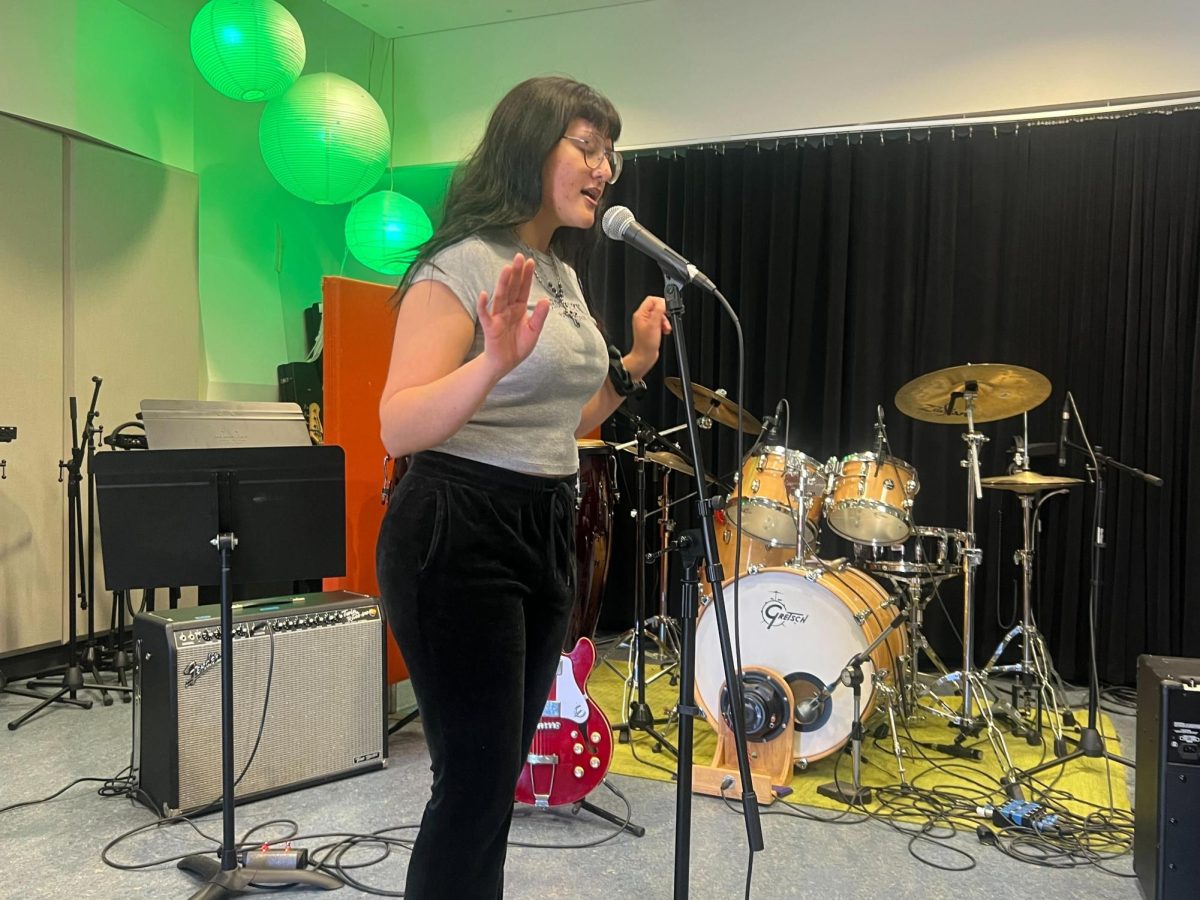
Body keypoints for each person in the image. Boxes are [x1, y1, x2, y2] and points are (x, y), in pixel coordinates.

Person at [375, 76, 670, 899]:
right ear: (526, 147)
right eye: (586, 145)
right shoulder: (458, 264)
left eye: (609, 152)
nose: (604, 167)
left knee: (498, 775)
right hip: (456, 528)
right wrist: (492, 361)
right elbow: (396, 424)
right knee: (470, 782)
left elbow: (571, 415)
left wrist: (634, 368)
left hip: (545, 522)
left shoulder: (558, 274)